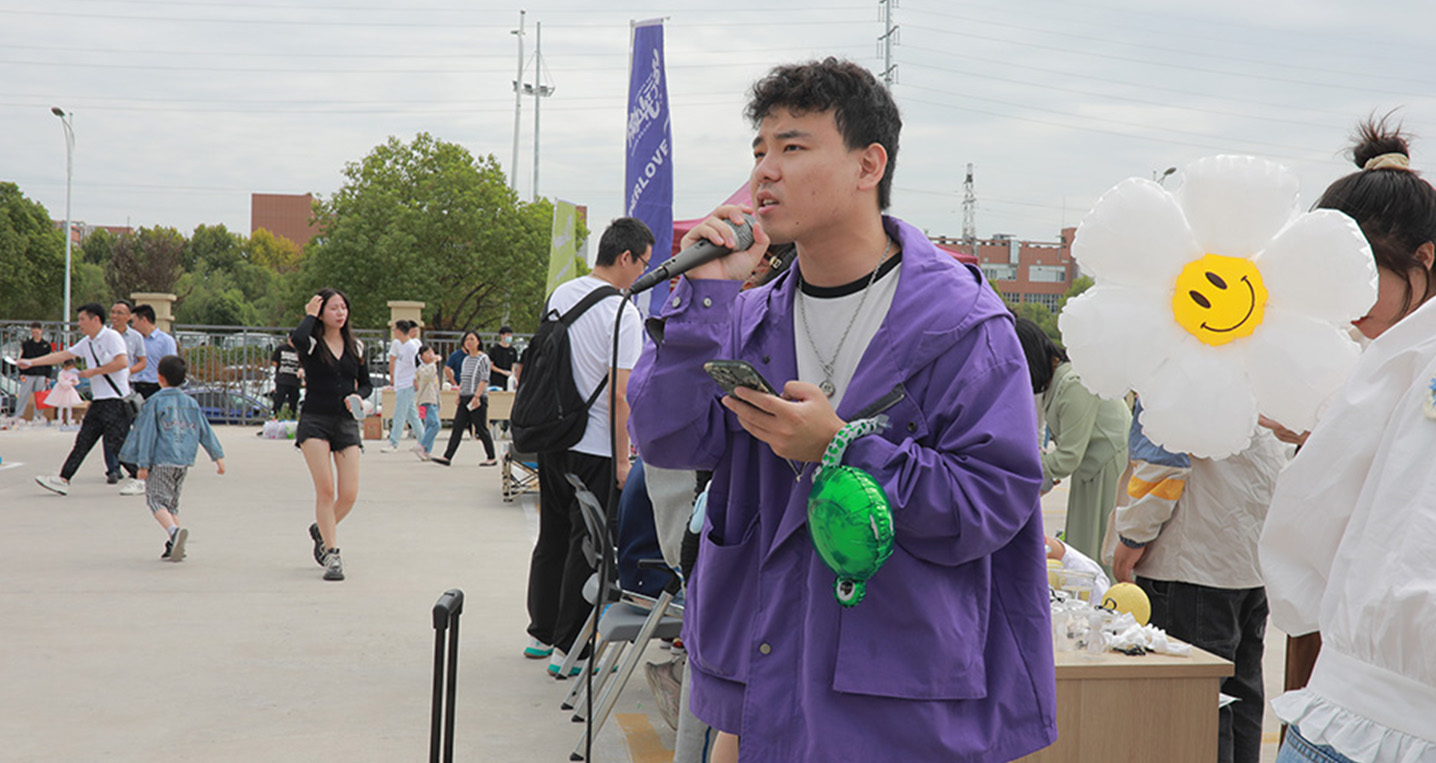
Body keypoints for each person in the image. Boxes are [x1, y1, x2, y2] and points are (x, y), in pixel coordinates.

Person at [627, 59, 1056, 762]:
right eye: (759, 150)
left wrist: (842, 449)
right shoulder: (745, 316)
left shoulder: (965, 325)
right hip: (767, 668)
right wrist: (705, 297)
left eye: (793, 147)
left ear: (868, 164)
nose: (766, 171)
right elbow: (666, 436)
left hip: (899, 694)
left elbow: (994, 500)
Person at [1260, 120, 1436, 762]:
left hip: (1368, 712)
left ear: (1425, 257)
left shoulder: (1407, 354)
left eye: (1364, 282)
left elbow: (1311, 526)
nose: (1350, 307)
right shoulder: (1397, 352)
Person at [1114, 403, 1287, 763]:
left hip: (1191, 563)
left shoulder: (1175, 375)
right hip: (1248, 559)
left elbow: (1163, 463)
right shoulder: (1258, 374)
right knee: (1242, 695)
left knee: (1197, 708)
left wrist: (1132, 535)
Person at [523, 217, 650, 675]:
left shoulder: (561, 294)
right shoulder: (623, 312)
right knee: (588, 546)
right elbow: (621, 394)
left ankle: (541, 634)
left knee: (553, 535)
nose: (643, 272)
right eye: (643, 263)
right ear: (625, 257)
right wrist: (623, 460)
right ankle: (571, 651)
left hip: (552, 436)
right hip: (595, 444)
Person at [1013, 317, 1131, 565]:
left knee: (1097, 552)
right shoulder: (1058, 383)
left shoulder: (1073, 383)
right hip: (1091, 471)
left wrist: (1018, 466)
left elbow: (1067, 457)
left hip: (1107, 469)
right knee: (1085, 547)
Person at [291, 289, 372, 582]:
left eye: (343, 308)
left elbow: (366, 383)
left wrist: (359, 396)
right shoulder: (312, 343)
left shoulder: (356, 346)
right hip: (315, 421)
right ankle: (332, 554)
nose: (340, 313)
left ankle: (321, 529)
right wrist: (309, 316)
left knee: (349, 494)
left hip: (346, 422)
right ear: (321, 312)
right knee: (326, 490)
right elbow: (298, 339)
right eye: (333, 308)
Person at [118, 355, 226, 562]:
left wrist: (143, 464)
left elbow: (147, 434)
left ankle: (174, 532)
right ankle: (174, 543)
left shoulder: (155, 402)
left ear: (160, 377)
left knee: (155, 500)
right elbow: (205, 430)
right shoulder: (191, 403)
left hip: (161, 460)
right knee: (172, 505)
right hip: (183, 461)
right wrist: (217, 456)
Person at [22, 303, 133, 496]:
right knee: (83, 441)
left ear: (95, 319)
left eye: (82, 319)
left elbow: (122, 362)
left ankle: (142, 477)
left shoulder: (111, 337)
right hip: (99, 401)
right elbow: (63, 355)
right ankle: (63, 479)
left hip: (115, 400)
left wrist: (93, 372)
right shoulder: (87, 342)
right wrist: (31, 362)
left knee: (116, 445)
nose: (79, 323)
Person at [430, 331, 496, 467]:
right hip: (464, 397)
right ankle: (447, 456)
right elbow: (463, 379)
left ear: (478, 342)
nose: (469, 342)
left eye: (472, 339)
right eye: (467, 340)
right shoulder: (466, 360)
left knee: (481, 428)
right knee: (458, 427)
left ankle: (491, 457)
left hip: (477, 398)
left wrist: (477, 396)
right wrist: (458, 395)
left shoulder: (483, 358)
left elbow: (484, 379)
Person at [104, 300, 148, 494]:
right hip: (107, 389)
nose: (115, 316)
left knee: (125, 428)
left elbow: (142, 361)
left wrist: (128, 371)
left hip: (127, 389)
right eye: (113, 312)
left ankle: (129, 464)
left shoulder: (136, 337)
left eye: (120, 312)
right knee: (108, 428)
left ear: (129, 317)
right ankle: (113, 469)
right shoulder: (103, 335)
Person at [381, 320, 423, 452]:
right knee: (412, 416)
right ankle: (424, 442)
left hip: (407, 384)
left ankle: (393, 443)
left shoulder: (411, 347)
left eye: (394, 330)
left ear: (399, 331)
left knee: (399, 414)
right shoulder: (403, 346)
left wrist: (416, 380)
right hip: (402, 385)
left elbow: (418, 365)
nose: (394, 332)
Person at [130, 304, 177, 400]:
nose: (132, 325)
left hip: (156, 387)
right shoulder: (135, 340)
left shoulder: (165, 341)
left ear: (143, 320)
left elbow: (170, 366)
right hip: (136, 387)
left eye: (134, 321)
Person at [17, 322, 53, 423]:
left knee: (40, 395)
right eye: (33, 332)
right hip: (28, 373)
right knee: (23, 394)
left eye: (37, 332)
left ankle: (38, 415)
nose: (35, 334)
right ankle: (19, 414)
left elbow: (49, 361)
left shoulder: (46, 345)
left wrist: (48, 376)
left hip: (41, 373)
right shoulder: (26, 344)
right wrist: (22, 372)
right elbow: (22, 358)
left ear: (41, 331)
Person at [413, 345, 441, 460]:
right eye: (428, 353)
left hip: (431, 400)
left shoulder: (430, 367)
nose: (431, 355)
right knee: (435, 424)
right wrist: (433, 363)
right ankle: (422, 445)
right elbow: (428, 377)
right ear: (421, 356)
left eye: (432, 352)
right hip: (425, 400)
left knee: (429, 425)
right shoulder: (422, 368)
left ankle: (426, 451)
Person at [270, 337, 302, 419]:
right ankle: (275, 416)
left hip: (295, 380)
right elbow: (274, 361)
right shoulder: (281, 349)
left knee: (294, 401)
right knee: (279, 399)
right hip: (282, 379)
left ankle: (292, 417)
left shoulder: (300, 350)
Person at [47, 360, 83, 428]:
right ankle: (60, 420)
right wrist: (70, 382)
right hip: (61, 390)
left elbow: (76, 380)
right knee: (61, 406)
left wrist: (74, 382)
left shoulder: (73, 373)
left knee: (69, 406)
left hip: (69, 390)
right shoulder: (61, 373)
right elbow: (61, 382)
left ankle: (69, 420)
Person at [489, 326, 519, 391]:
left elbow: (513, 365)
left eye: (510, 335)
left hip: (509, 380)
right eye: (507, 335)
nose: (509, 337)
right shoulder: (494, 350)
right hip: (497, 379)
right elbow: (491, 365)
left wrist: (513, 375)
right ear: (501, 335)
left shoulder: (513, 350)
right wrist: (502, 372)